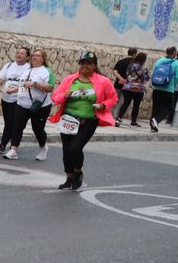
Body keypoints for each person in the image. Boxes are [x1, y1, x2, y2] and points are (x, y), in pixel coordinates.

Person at [47, 51, 117, 191]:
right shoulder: (70, 79)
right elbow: (56, 97)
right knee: (66, 151)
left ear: (94, 65)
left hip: (88, 121)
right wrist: (64, 95)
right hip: (68, 119)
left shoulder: (103, 81)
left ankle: (78, 172)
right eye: (82, 63)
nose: (85, 66)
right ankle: (69, 178)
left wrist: (103, 105)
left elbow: (113, 98)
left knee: (75, 149)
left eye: (89, 63)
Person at [14, 48, 56, 161]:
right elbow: (24, 84)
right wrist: (15, 89)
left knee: (37, 129)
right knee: (17, 126)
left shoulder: (47, 71)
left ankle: (43, 147)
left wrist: (35, 84)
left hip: (40, 106)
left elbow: (50, 87)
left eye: (38, 56)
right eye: (33, 55)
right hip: (22, 104)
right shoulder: (28, 70)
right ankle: (13, 150)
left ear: (43, 59)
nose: (34, 57)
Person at [0, 46, 33, 156]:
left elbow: (27, 84)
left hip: (19, 99)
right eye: (18, 53)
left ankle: (3, 145)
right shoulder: (9, 66)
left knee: (12, 122)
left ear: (27, 57)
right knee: (8, 122)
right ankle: (12, 143)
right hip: (6, 98)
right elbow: (1, 77)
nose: (19, 55)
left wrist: (15, 90)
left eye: (22, 53)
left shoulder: (29, 69)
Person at [148, 47, 178, 132]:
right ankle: (156, 120)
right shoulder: (177, 63)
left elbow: (153, 73)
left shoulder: (159, 61)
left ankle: (153, 127)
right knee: (168, 108)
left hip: (157, 87)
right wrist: (173, 84)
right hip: (168, 90)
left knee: (156, 108)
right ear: (174, 53)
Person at [116, 51, 148, 127]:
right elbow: (146, 78)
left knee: (125, 103)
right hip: (138, 88)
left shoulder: (130, 66)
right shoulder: (144, 68)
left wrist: (132, 79)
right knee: (136, 105)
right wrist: (140, 80)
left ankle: (118, 118)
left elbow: (127, 75)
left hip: (128, 87)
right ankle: (133, 121)